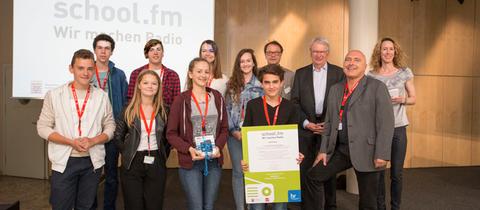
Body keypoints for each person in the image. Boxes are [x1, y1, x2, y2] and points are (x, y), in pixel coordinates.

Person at [304, 50, 394, 210]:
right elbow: (330, 123)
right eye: (348, 59)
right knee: (313, 177)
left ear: (365, 66)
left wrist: (382, 153)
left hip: (368, 150)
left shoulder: (377, 87)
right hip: (341, 149)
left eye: (356, 60)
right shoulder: (336, 89)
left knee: (368, 202)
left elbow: (386, 123)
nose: (351, 63)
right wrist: (323, 150)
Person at [37, 49, 115, 210]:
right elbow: (42, 127)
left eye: (89, 68)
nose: (85, 73)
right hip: (64, 161)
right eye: (80, 68)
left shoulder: (101, 96)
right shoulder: (54, 95)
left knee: (86, 207)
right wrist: (70, 142)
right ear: (71, 68)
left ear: (94, 69)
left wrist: (93, 140)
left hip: (92, 162)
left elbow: (110, 125)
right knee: (61, 206)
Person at [166, 58, 228, 210]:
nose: (203, 75)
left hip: (213, 161)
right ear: (190, 74)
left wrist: (218, 147)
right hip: (191, 161)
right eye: (199, 71)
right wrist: (189, 149)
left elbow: (225, 128)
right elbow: (171, 133)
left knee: (209, 206)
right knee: (196, 206)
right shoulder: (181, 100)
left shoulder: (217, 98)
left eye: (206, 72)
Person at [240, 64, 304, 210]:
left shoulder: (291, 108)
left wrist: (298, 153)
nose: (271, 86)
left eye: (275, 82)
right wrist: (245, 159)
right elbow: (247, 134)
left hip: (283, 166)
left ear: (282, 83)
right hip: (257, 166)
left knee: (280, 206)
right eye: (267, 82)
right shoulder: (253, 105)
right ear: (261, 83)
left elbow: (295, 136)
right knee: (256, 206)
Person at [291, 37, 344, 210]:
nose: (318, 55)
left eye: (322, 51)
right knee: (306, 170)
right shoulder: (300, 73)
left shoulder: (339, 73)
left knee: (327, 171)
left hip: (329, 129)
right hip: (306, 129)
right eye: (315, 51)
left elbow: (342, 102)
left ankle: (331, 206)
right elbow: (295, 102)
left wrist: (330, 124)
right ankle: (307, 206)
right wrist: (306, 123)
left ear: (327, 53)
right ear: (310, 53)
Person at [367, 37, 416, 210]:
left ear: (395, 52)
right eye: (384, 49)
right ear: (379, 52)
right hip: (379, 129)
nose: (387, 52)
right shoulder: (371, 75)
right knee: (379, 172)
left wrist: (401, 99)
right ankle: (381, 207)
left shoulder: (404, 72)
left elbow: (413, 99)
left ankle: (396, 207)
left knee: (396, 173)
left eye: (391, 49)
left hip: (398, 128)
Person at [114, 70, 169, 210]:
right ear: (139, 85)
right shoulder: (128, 110)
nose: (150, 86)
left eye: (154, 83)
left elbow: (168, 138)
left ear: (158, 87)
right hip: (133, 161)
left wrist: (162, 156)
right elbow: (118, 137)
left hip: (156, 160)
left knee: (154, 204)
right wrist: (127, 151)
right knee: (134, 205)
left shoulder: (164, 110)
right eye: (146, 82)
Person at [91, 33, 128, 210]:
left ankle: (109, 207)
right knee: (91, 175)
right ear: (95, 50)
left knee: (112, 175)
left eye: (107, 48)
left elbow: (125, 102)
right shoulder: (87, 73)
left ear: (111, 52)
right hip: (90, 132)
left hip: (111, 132)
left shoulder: (119, 75)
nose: (103, 51)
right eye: (100, 48)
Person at [225, 49, 264, 210]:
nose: (246, 64)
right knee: (238, 172)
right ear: (238, 64)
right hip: (234, 135)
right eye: (242, 61)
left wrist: (252, 134)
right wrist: (233, 131)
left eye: (248, 60)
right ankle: (241, 208)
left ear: (253, 63)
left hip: (255, 136)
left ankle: (256, 206)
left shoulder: (261, 85)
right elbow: (226, 109)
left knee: (254, 171)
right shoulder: (231, 85)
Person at [128, 39, 181, 106]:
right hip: (140, 115)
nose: (155, 53)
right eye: (151, 50)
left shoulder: (173, 76)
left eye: (158, 49)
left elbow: (177, 104)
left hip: (166, 115)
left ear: (163, 53)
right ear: (147, 54)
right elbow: (130, 100)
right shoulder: (136, 74)